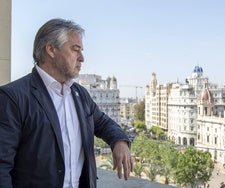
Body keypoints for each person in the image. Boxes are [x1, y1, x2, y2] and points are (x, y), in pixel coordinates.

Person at [0, 18, 133, 188]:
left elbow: (103, 122)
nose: (82, 58)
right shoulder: (12, 97)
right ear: (51, 49)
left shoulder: (80, 94)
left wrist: (120, 141)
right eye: (75, 50)